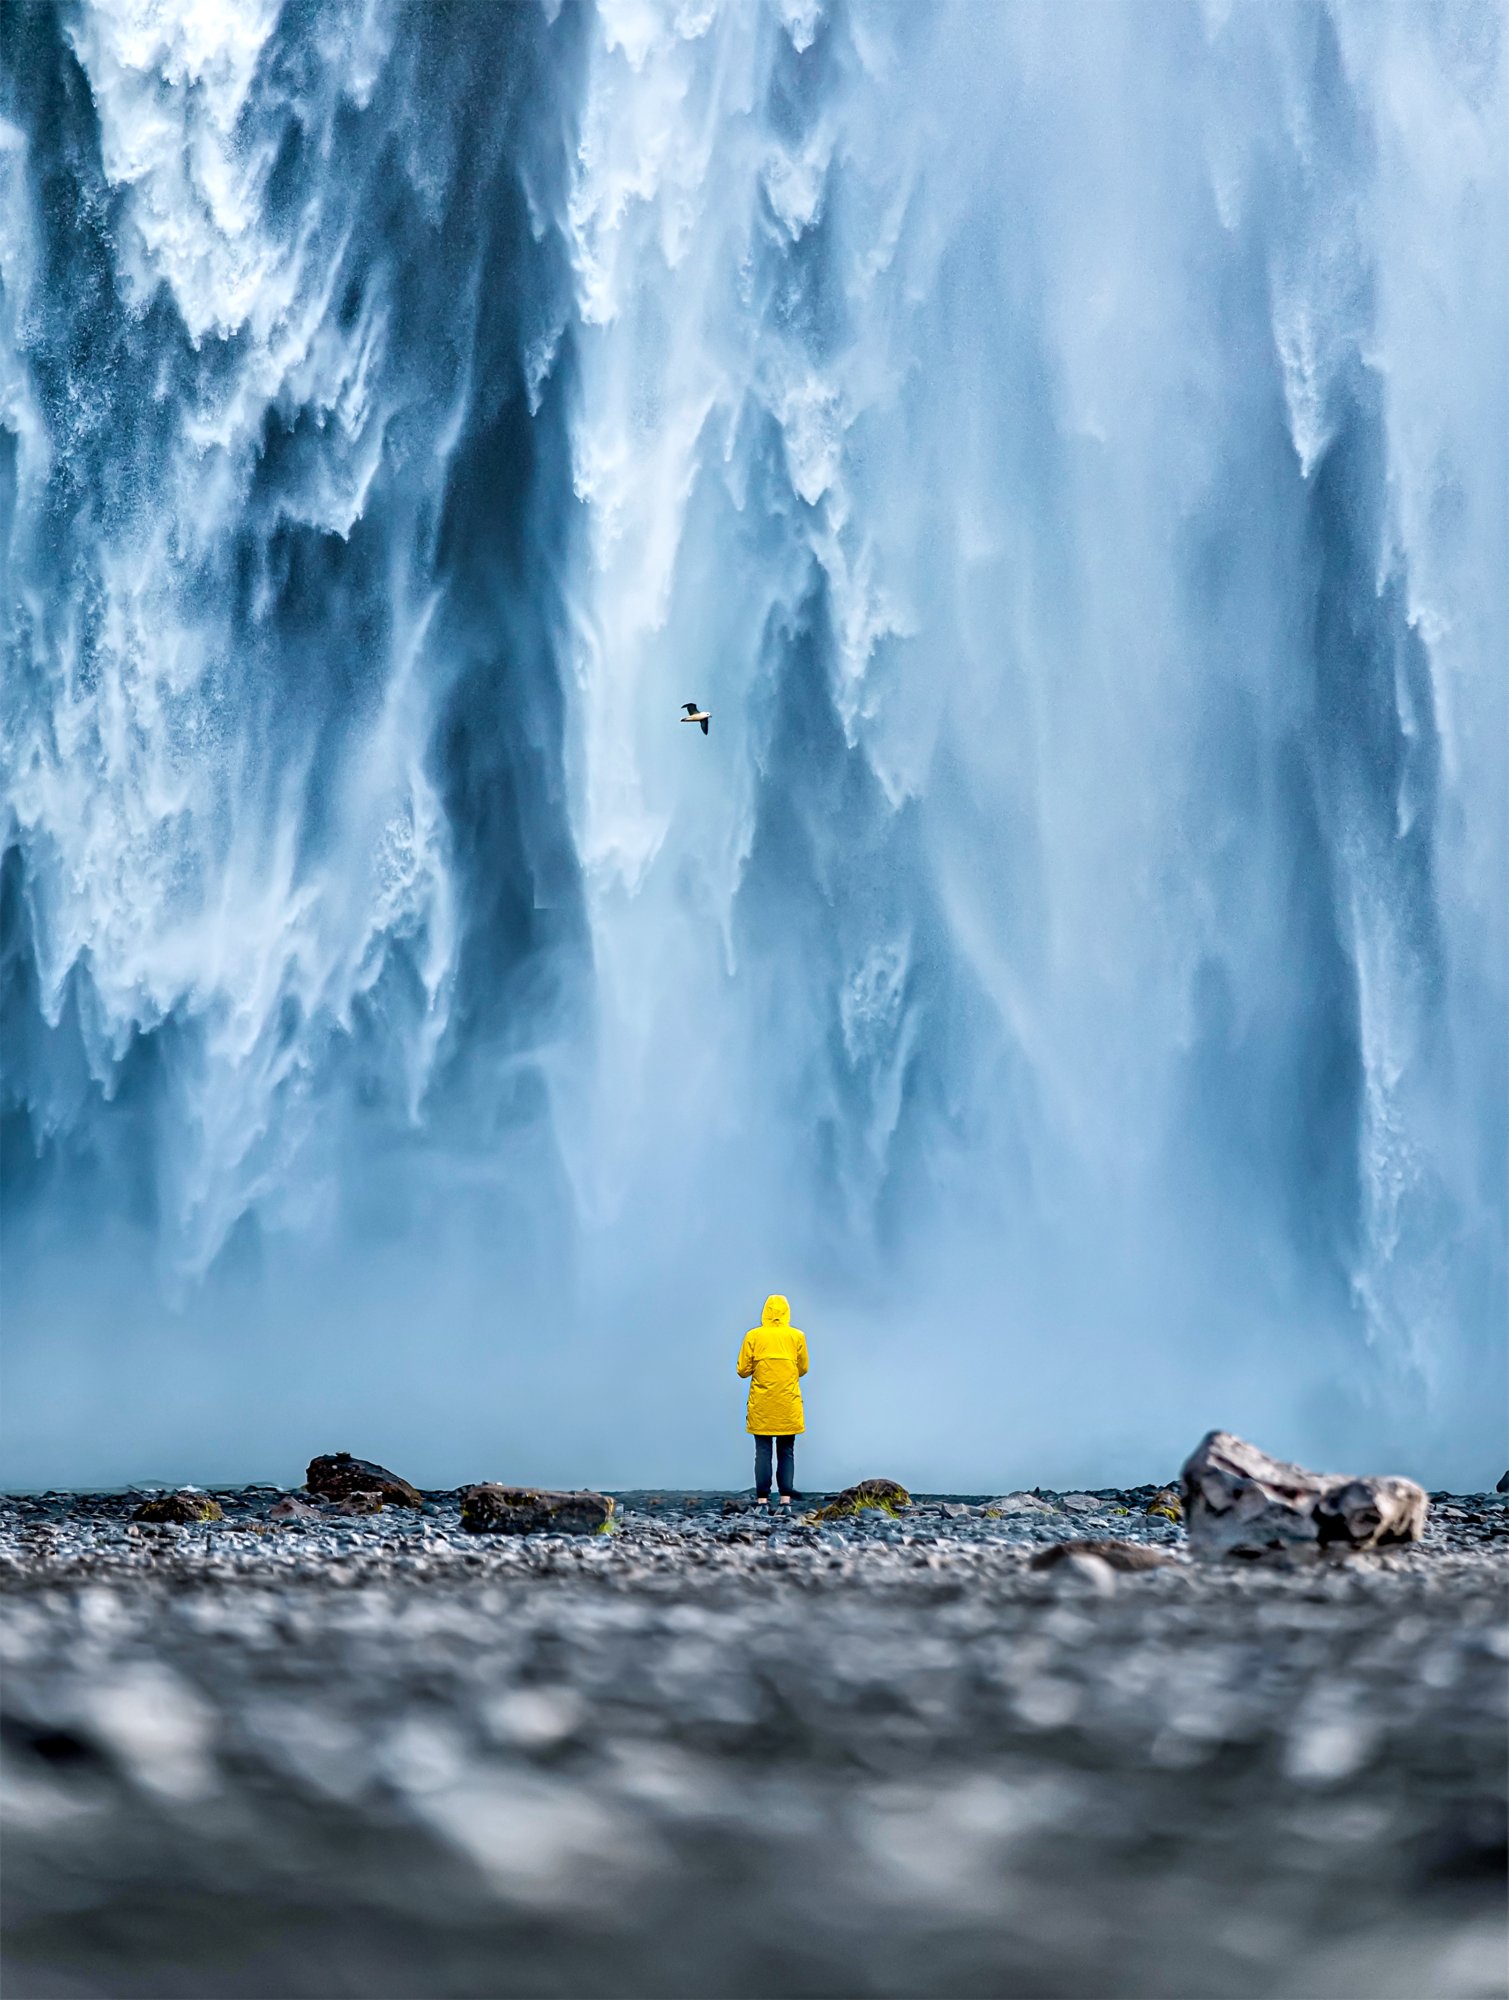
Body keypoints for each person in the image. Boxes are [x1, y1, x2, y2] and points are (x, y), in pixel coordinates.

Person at [737, 1294, 808, 1508]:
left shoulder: (753, 1336)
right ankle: (785, 1499)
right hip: (788, 1402)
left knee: (763, 1452)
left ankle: (762, 1499)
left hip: (762, 1404)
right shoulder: (797, 1336)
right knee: (786, 1450)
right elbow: (803, 1369)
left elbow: (742, 1370)